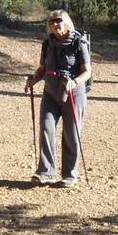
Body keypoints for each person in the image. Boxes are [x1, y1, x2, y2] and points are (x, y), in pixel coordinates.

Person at [24, 10, 92, 188]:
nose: (55, 24)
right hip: (50, 92)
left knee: (71, 134)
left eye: (59, 21)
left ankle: (70, 174)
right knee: (46, 128)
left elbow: (87, 72)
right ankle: (46, 172)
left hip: (73, 94)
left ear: (67, 22)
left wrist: (74, 82)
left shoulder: (79, 42)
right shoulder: (47, 44)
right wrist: (34, 79)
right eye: (52, 22)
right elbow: (42, 68)